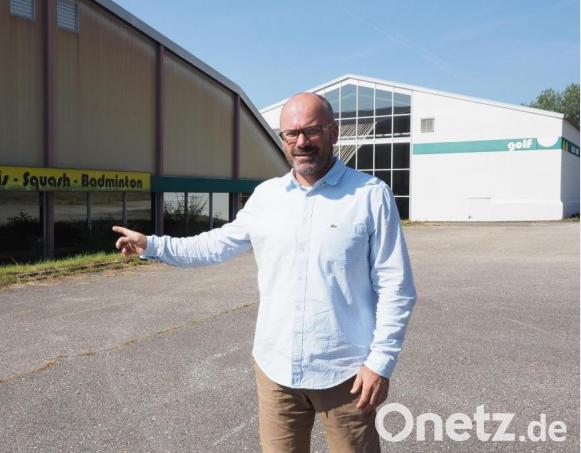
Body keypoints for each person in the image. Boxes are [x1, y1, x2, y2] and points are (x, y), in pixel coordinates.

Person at [112, 92, 416, 452]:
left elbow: (396, 287)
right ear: (283, 140)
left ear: (333, 133)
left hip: (347, 374)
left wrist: (380, 362)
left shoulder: (369, 196)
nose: (302, 141)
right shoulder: (266, 197)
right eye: (292, 133)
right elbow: (216, 244)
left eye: (312, 130)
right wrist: (153, 246)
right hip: (276, 371)